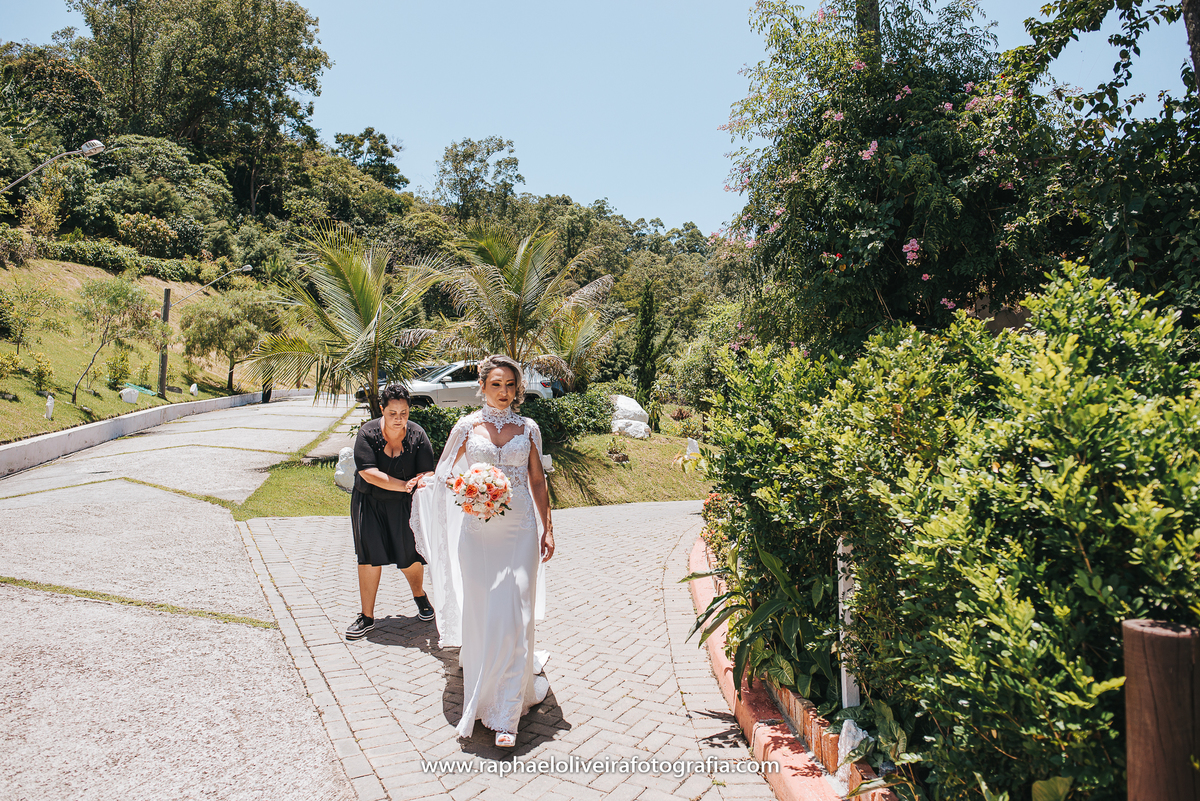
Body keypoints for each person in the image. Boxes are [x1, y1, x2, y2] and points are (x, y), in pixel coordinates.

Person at [411, 354, 556, 748]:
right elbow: (446, 472)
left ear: (518, 388)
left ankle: (506, 714)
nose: (504, 392)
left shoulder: (529, 428)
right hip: (476, 530)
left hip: (520, 528)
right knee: (482, 611)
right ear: (483, 385)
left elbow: (538, 480)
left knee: (514, 610)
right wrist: (456, 488)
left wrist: (548, 529)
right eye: (497, 384)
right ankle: (482, 689)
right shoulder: (466, 426)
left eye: (511, 385)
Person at [345, 383, 437, 640]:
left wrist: (419, 481)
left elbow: (427, 471)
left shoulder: (418, 435)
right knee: (369, 557)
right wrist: (404, 485)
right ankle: (366, 616)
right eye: (393, 413)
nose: (399, 419)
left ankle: (420, 596)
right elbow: (368, 473)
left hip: (405, 506)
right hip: (369, 500)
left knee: (410, 554)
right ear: (382, 410)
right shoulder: (367, 432)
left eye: (404, 413)